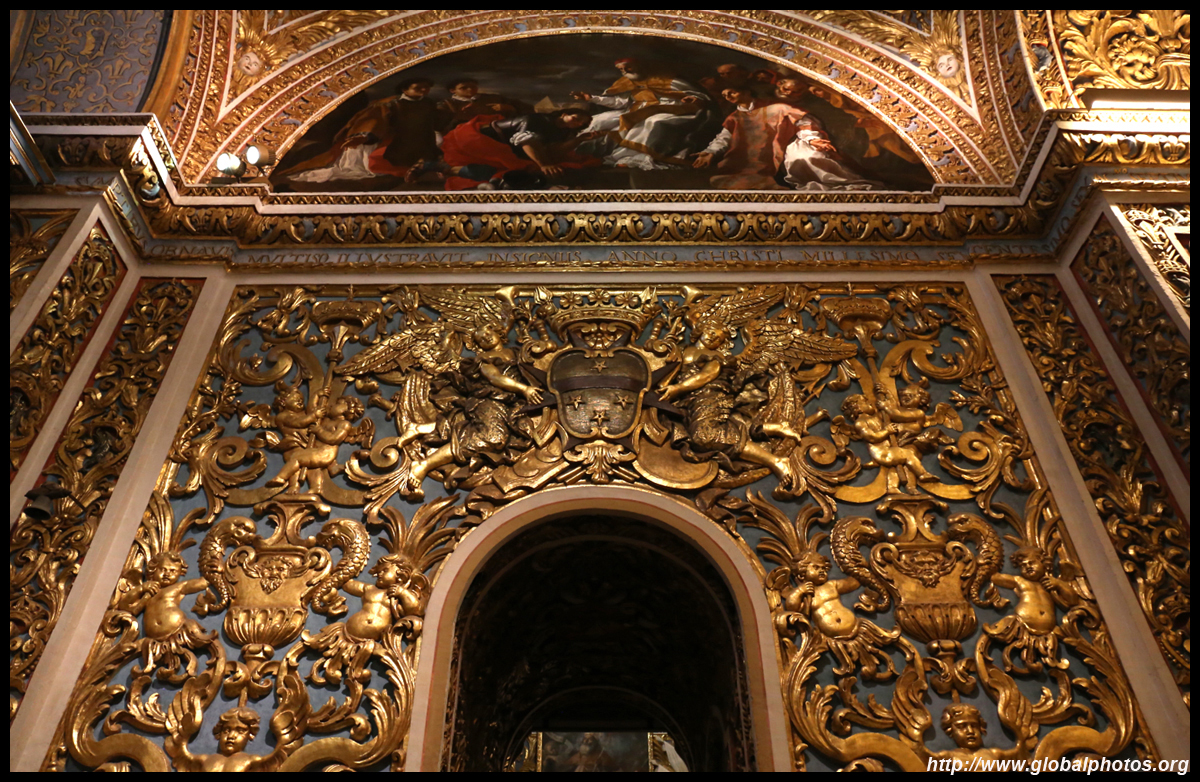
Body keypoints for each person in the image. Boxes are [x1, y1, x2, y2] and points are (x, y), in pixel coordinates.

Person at [278, 78, 442, 183]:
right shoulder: (390, 104)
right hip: (397, 140)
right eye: (418, 88)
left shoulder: (429, 104)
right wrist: (364, 136)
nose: (423, 91)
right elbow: (374, 121)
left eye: (426, 88)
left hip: (422, 138)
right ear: (405, 90)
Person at [570, 57, 717, 169]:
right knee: (600, 120)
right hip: (638, 110)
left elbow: (698, 96)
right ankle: (579, 151)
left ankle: (634, 157)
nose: (625, 71)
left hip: (674, 109)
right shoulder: (628, 83)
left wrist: (694, 99)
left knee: (651, 122)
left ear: (640, 67)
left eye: (628, 67)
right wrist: (591, 98)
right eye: (622, 69)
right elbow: (620, 102)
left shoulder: (667, 80)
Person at [439, 108, 595, 190]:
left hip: (512, 148)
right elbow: (526, 141)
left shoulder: (563, 131)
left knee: (525, 169)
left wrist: (579, 139)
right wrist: (544, 164)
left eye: (581, 124)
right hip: (484, 140)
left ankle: (456, 171)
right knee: (513, 168)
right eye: (576, 118)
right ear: (564, 114)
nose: (577, 123)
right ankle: (446, 168)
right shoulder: (536, 119)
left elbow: (553, 151)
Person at [437, 78, 524, 131]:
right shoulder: (446, 104)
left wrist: (509, 108)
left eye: (473, 87)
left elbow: (524, 108)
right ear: (452, 90)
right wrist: (459, 114)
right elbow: (440, 124)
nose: (470, 89)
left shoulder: (493, 98)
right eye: (464, 88)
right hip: (464, 131)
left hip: (496, 126)